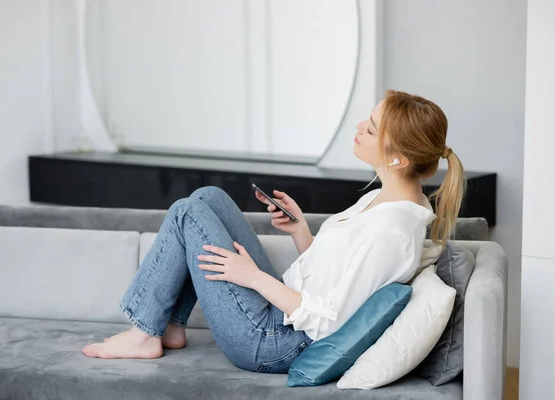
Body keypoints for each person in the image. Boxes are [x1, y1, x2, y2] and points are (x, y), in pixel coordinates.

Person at [82, 90, 465, 374]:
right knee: (208, 197)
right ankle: (172, 327)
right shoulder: (388, 198)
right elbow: (337, 280)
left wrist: (253, 278)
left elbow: (330, 322)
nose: (359, 128)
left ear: (398, 158)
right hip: (283, 311)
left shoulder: (392, 232)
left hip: (274, 343)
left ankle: (144, 333)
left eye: (371, 127)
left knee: (187, 214)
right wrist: (303, 234)